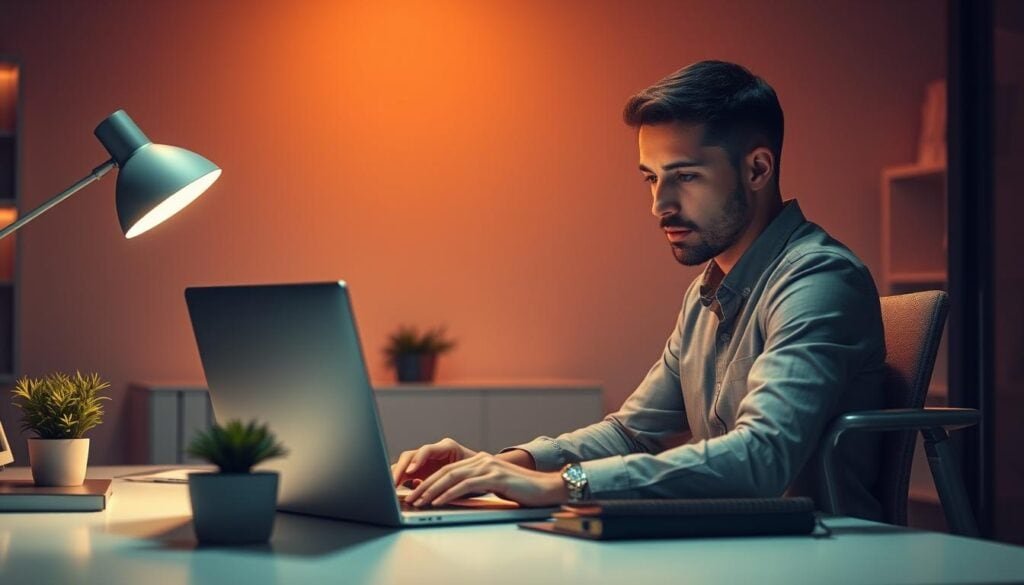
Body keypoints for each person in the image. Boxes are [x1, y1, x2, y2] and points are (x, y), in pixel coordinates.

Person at [392, 60, 886, 520]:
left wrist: (564, 485)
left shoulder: (819, 278)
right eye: (651, 179)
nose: (659, 205)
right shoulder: (705, 295)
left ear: (757, 169)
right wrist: (504, 464)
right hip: (735, 541)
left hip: (819, 550)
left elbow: (761, 456)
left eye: (685, 176)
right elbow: (632, 432)